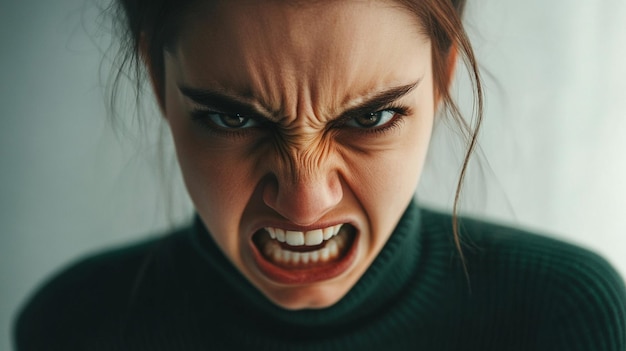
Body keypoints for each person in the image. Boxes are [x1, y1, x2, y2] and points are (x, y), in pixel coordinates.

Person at [14, 0, 626, 350]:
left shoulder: (562, 317)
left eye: (373, 115)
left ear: (441, 78)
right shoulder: (74, 326)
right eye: (231, 118)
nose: (306, 204)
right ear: (158, 81)